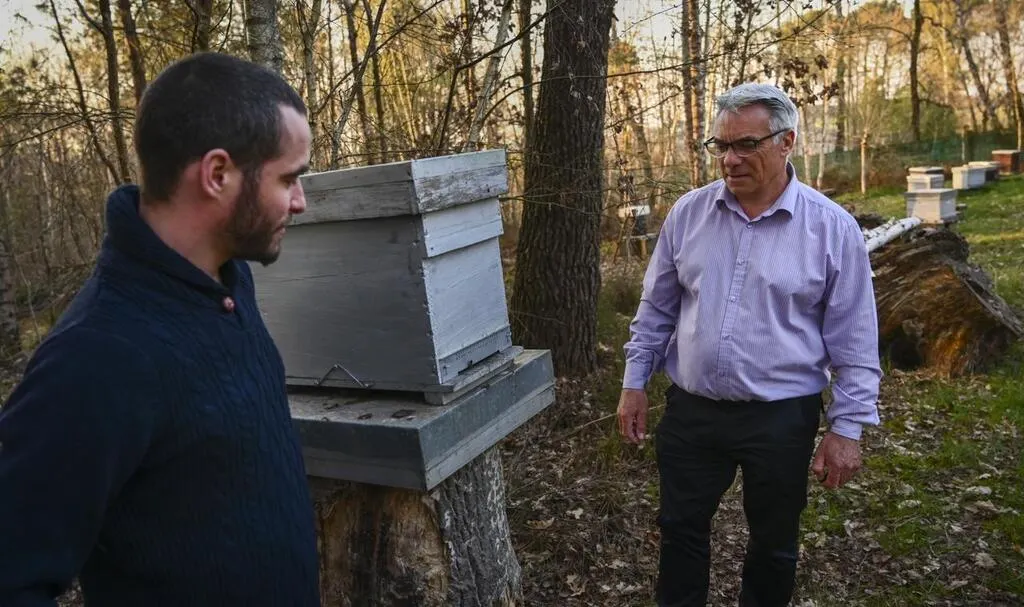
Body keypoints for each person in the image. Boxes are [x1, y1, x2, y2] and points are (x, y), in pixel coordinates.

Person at [0, 52, 319, 606]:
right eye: (288, 178)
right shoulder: (97, 356)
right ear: (217, 175)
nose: (300, 202)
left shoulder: (227, 280)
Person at [617, 83, 881, 607]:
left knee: (774, 545)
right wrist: (634, 382)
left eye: (746, 145)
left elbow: (855, 342)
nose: (730, 159)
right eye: (721, 146)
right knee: (680, 531)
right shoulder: (688, 215)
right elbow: (657, 309)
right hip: (693, 413)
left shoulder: (832, 229)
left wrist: (846, 428)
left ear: (787, 142)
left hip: (781, 417)